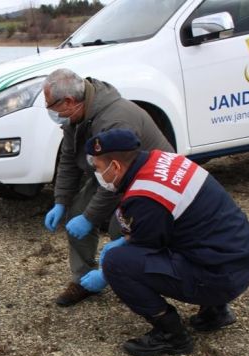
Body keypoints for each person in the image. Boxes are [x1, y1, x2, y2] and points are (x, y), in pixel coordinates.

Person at [79, 128, 249, 356]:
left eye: (98, 167)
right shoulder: (164, 160)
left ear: (115, 166)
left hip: (220, 275)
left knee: (117, 263)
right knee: (188, 233)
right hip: (243, 256)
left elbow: (146, 246)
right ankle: (215, 311)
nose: (97, 173)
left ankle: (171, 335)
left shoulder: (144, 196)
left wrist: (106, 271)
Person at [42, 68, 174, 307]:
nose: (50, 111)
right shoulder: (76, 116)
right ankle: (83, 279)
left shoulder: (114, 120)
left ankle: (129, 280)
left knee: (121, 230)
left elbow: (116, 179)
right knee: (77, 212)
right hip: (111, 173)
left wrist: (91, 218)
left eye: (50, 106)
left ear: (69, 101)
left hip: (149, 178)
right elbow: (69, 159)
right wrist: (60, 201)